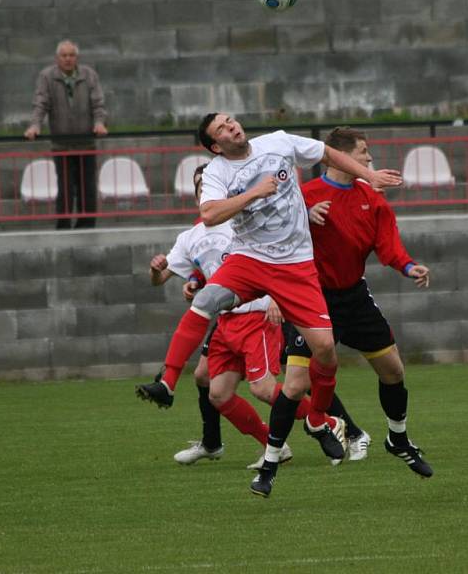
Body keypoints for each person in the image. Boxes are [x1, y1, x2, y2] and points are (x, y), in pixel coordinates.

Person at [135, 113, 402, 498]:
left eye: (231, 121)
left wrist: (369, 176)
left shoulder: (277, 141)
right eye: (222, 129)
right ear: (215, 147)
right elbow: (209, 219)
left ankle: (320, 420)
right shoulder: (215, 178)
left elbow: (326, 152)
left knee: (323, 350)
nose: (232, 127)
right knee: (210, 350)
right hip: (249, 267)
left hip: (290, 272)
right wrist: (252, 194)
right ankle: (167, 383)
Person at [142, 165, 342, 468]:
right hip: (224, 322)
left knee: (262, 388)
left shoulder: (243, 225)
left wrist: (276, 298)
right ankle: (272, 445)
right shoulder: (190, 237)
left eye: (208, 185)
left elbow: (275, 259)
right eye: (199, 186)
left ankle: (327, 421)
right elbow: (167, 277)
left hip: (256, 317)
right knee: (217, 393)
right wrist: (157, 271)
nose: (204, 190)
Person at [282, 126, 433, 476]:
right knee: (294, 385)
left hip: (353, 296)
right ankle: (282, 451)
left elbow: (388, 245)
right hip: (311, 298)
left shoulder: (372, 199)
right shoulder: (303, 196)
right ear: (342, 156)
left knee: (394, 370)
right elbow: (277, 240)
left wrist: (408, 266)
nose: (369, 158)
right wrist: (303, 217)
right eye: (363, 151)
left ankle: (397, 439)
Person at [24, 39, 108, 229]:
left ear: (76, 57)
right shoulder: (47, 76)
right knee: (65, 188)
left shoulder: (89, 75)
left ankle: (87, 225)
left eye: (71, 55)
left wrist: (99, 123)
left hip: (86, 144)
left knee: (87, 187)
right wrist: (35, 126)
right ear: (57, 58)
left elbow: (98, 104)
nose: (68, 59)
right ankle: (63, 225)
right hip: (61, 145)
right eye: (64, 55)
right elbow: (40, 103)